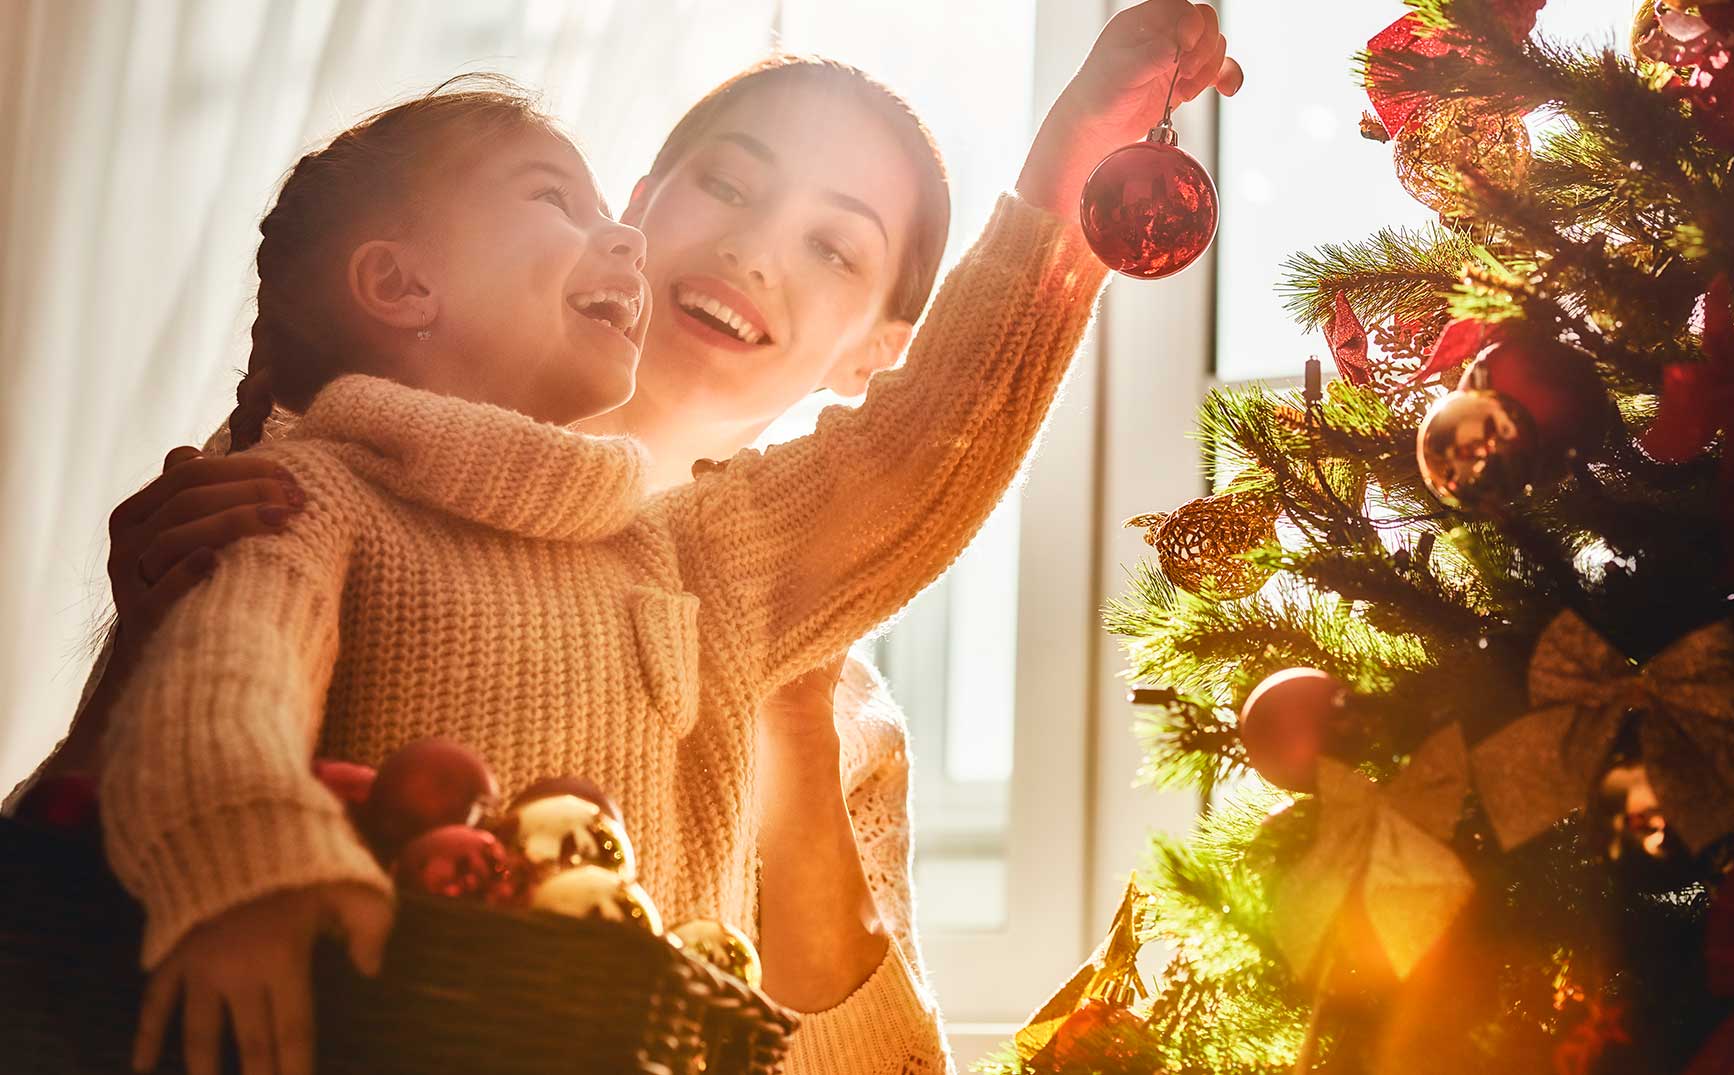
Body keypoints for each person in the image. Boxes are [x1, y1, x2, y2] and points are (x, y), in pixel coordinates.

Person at [17, 5, 1242, 1074]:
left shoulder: (766, 609)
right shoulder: (301, 495)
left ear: (879, 353)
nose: (756, 250)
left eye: (833, 244)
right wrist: (146, 678)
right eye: (727, 184)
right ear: (639, 212)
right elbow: (69, 916)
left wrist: (1076, 176)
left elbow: (927, 445)